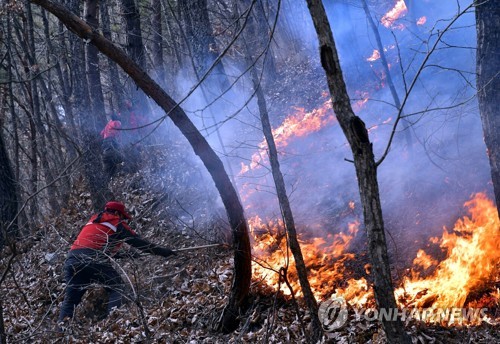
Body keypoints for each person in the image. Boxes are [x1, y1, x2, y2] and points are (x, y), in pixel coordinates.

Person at [58, 201, 176, 324]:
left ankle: (61, 330)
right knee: (117, 288)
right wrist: (163, 252)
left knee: (71, 300)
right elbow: (139, 242)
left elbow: (95, 246)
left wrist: (127, 254)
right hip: (94, 259)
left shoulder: (93, 221)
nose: (124, 220)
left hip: (72, 260)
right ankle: (112, 324)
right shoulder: (116, 223)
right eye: (123, 217)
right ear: (116, 213)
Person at [100, 113, 123, 178]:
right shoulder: (117, 123)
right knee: (118, 161)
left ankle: (108, 182)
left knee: (108, 166)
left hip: (105, 145)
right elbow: (118, 135)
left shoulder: (109, 123)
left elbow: (101, 133)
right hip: (112, 143)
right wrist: (119, 144)